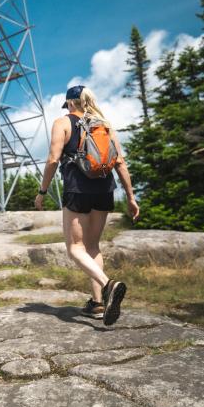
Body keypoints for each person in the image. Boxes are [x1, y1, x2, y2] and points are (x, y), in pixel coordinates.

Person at [34, 85, 140, 326]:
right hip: (104, 189)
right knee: (92, 246)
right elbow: (120, 163)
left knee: (75, 248)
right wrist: (131, 198)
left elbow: (52, 159)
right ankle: (98, 303)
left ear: (70, 103)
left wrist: (42, 191)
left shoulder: (63, 122)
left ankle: (107, 286)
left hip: (77, 189)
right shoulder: (104, 124)